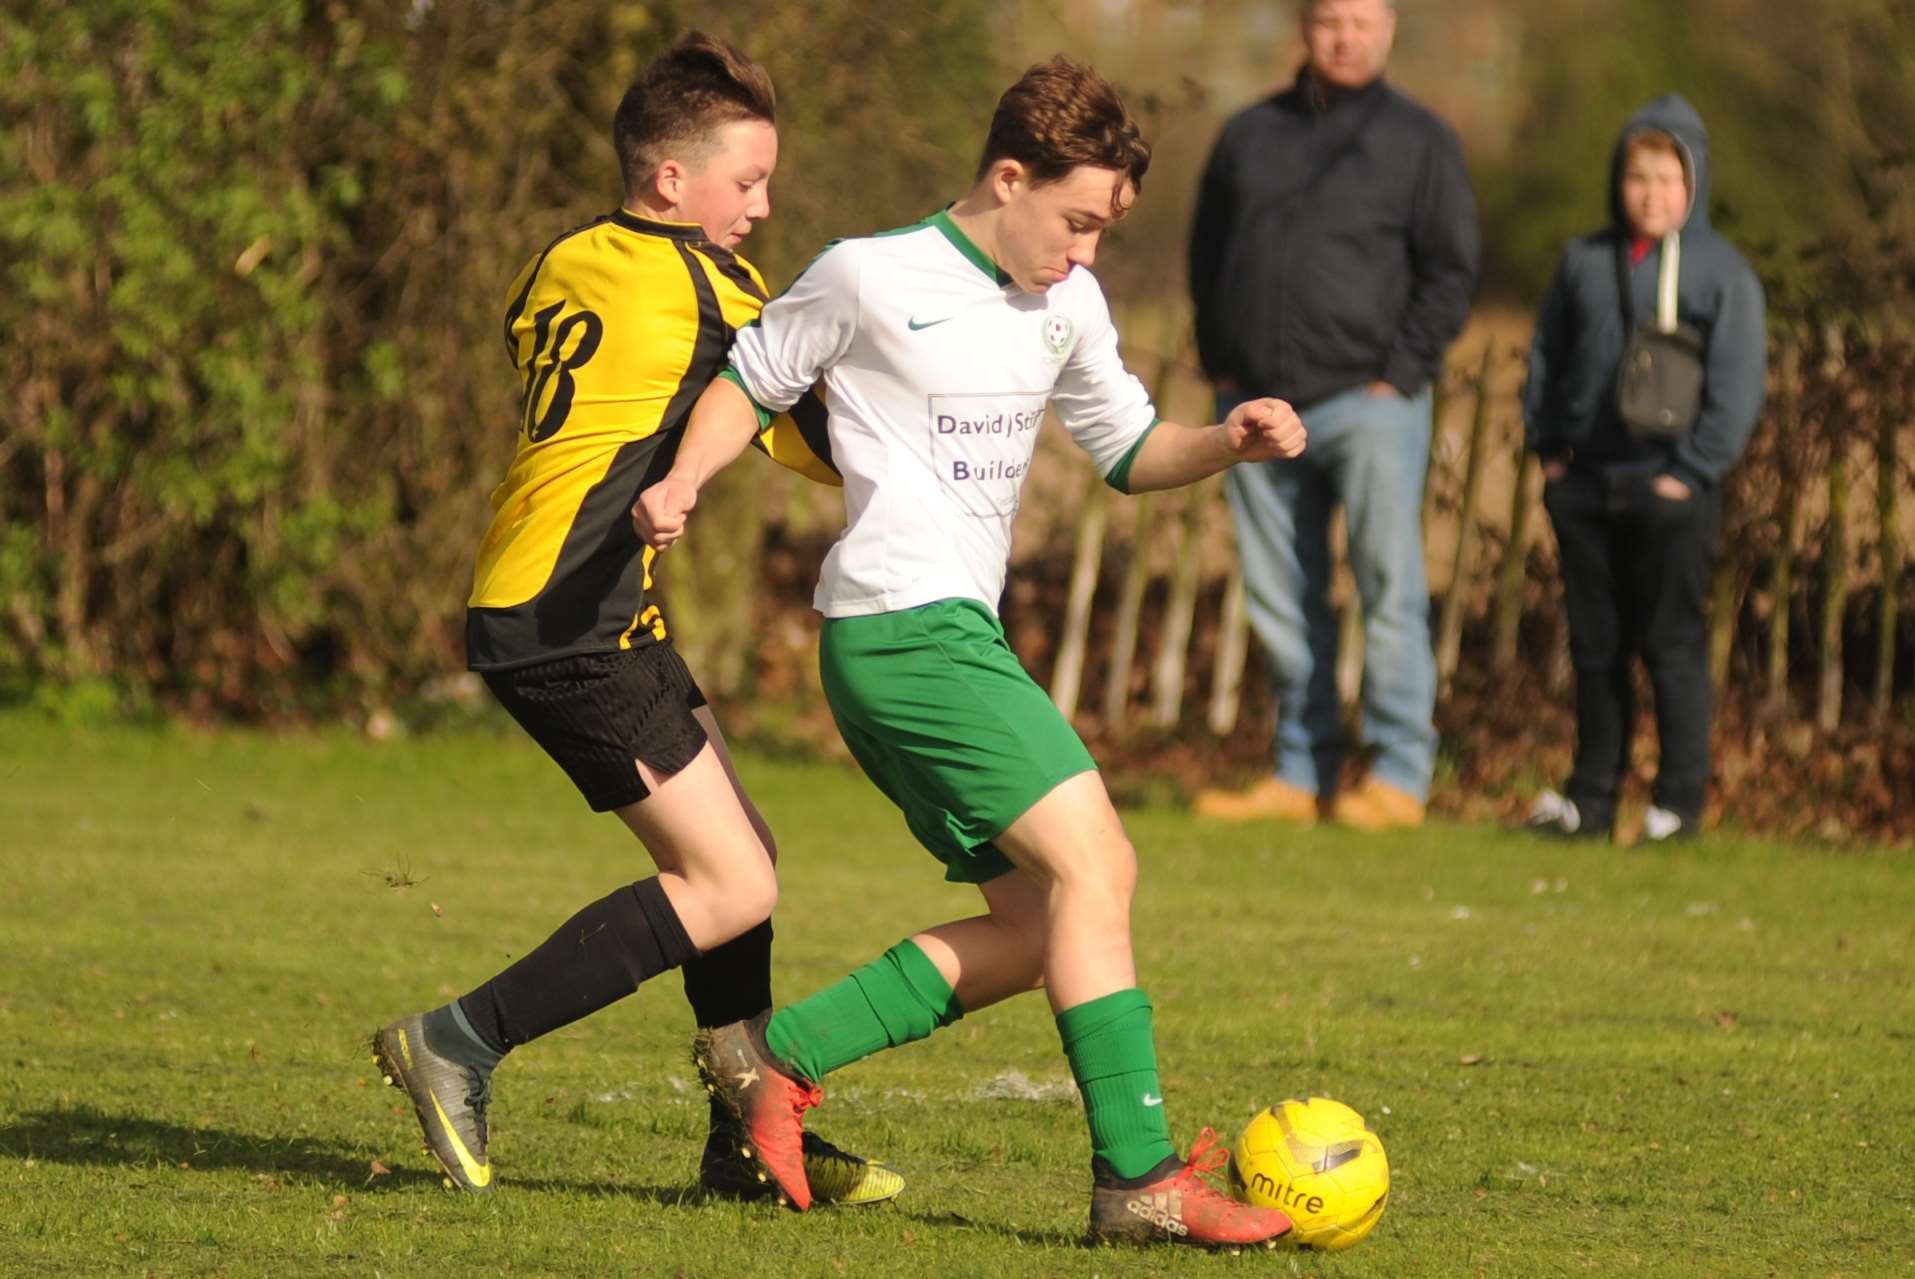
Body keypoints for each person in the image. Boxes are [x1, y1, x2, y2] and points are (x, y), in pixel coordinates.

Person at [635, 55, 1306, 1250]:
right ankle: (1140, 1180)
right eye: (1077, 220)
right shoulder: (865, 274)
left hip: (946, 635)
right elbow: (749, 377)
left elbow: (1129, 447)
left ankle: (773, 1059)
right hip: (901, 628)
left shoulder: (1069, 304)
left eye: (1103, 229)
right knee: (1101, 866)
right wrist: (683, 479)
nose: (1087, 251)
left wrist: (1227, 444)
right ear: (1009, 177)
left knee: (1049, 920)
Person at [367, 32, 897, 1206]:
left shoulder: (561, 258)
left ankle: (743, 1141)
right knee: (729, 884)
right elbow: (814, 443)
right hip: (569, 619)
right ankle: (459, 1037)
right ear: (673, 180)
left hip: (565, 599)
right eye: (746, 180)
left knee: (745, 855)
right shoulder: (713, 290)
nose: (762, 205)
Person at [1186, 0, 1479, 831]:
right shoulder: (1247, 133)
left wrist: (1401, 374)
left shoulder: (1421, 140)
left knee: (1389, 587)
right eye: (1328, 21)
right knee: (1281, 596)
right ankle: (1299, 770)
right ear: (1303, 29)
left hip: (1368, 403)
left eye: (1361, 20)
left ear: (1387, 28)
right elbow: (1207, 257)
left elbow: (1451, 269)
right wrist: (1223, 360)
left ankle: (1396, 776)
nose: (1345, 36)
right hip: (1254, 407)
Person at [1523, 94, 1766, 843]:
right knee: (1595, 649)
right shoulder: (1583, 261)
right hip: (1587, 484)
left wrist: (1688, 473)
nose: (1651, 193)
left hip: (1670, 491)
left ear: (1692, 184)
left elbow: (1737, 386)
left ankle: (1675, 805)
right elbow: (1545, 359)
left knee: (1669, 647)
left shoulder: (1722, 276)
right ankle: (1590, 797)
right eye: (1638, 177)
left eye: (1667, 178)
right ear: (1617, 180)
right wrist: (1551, 454)